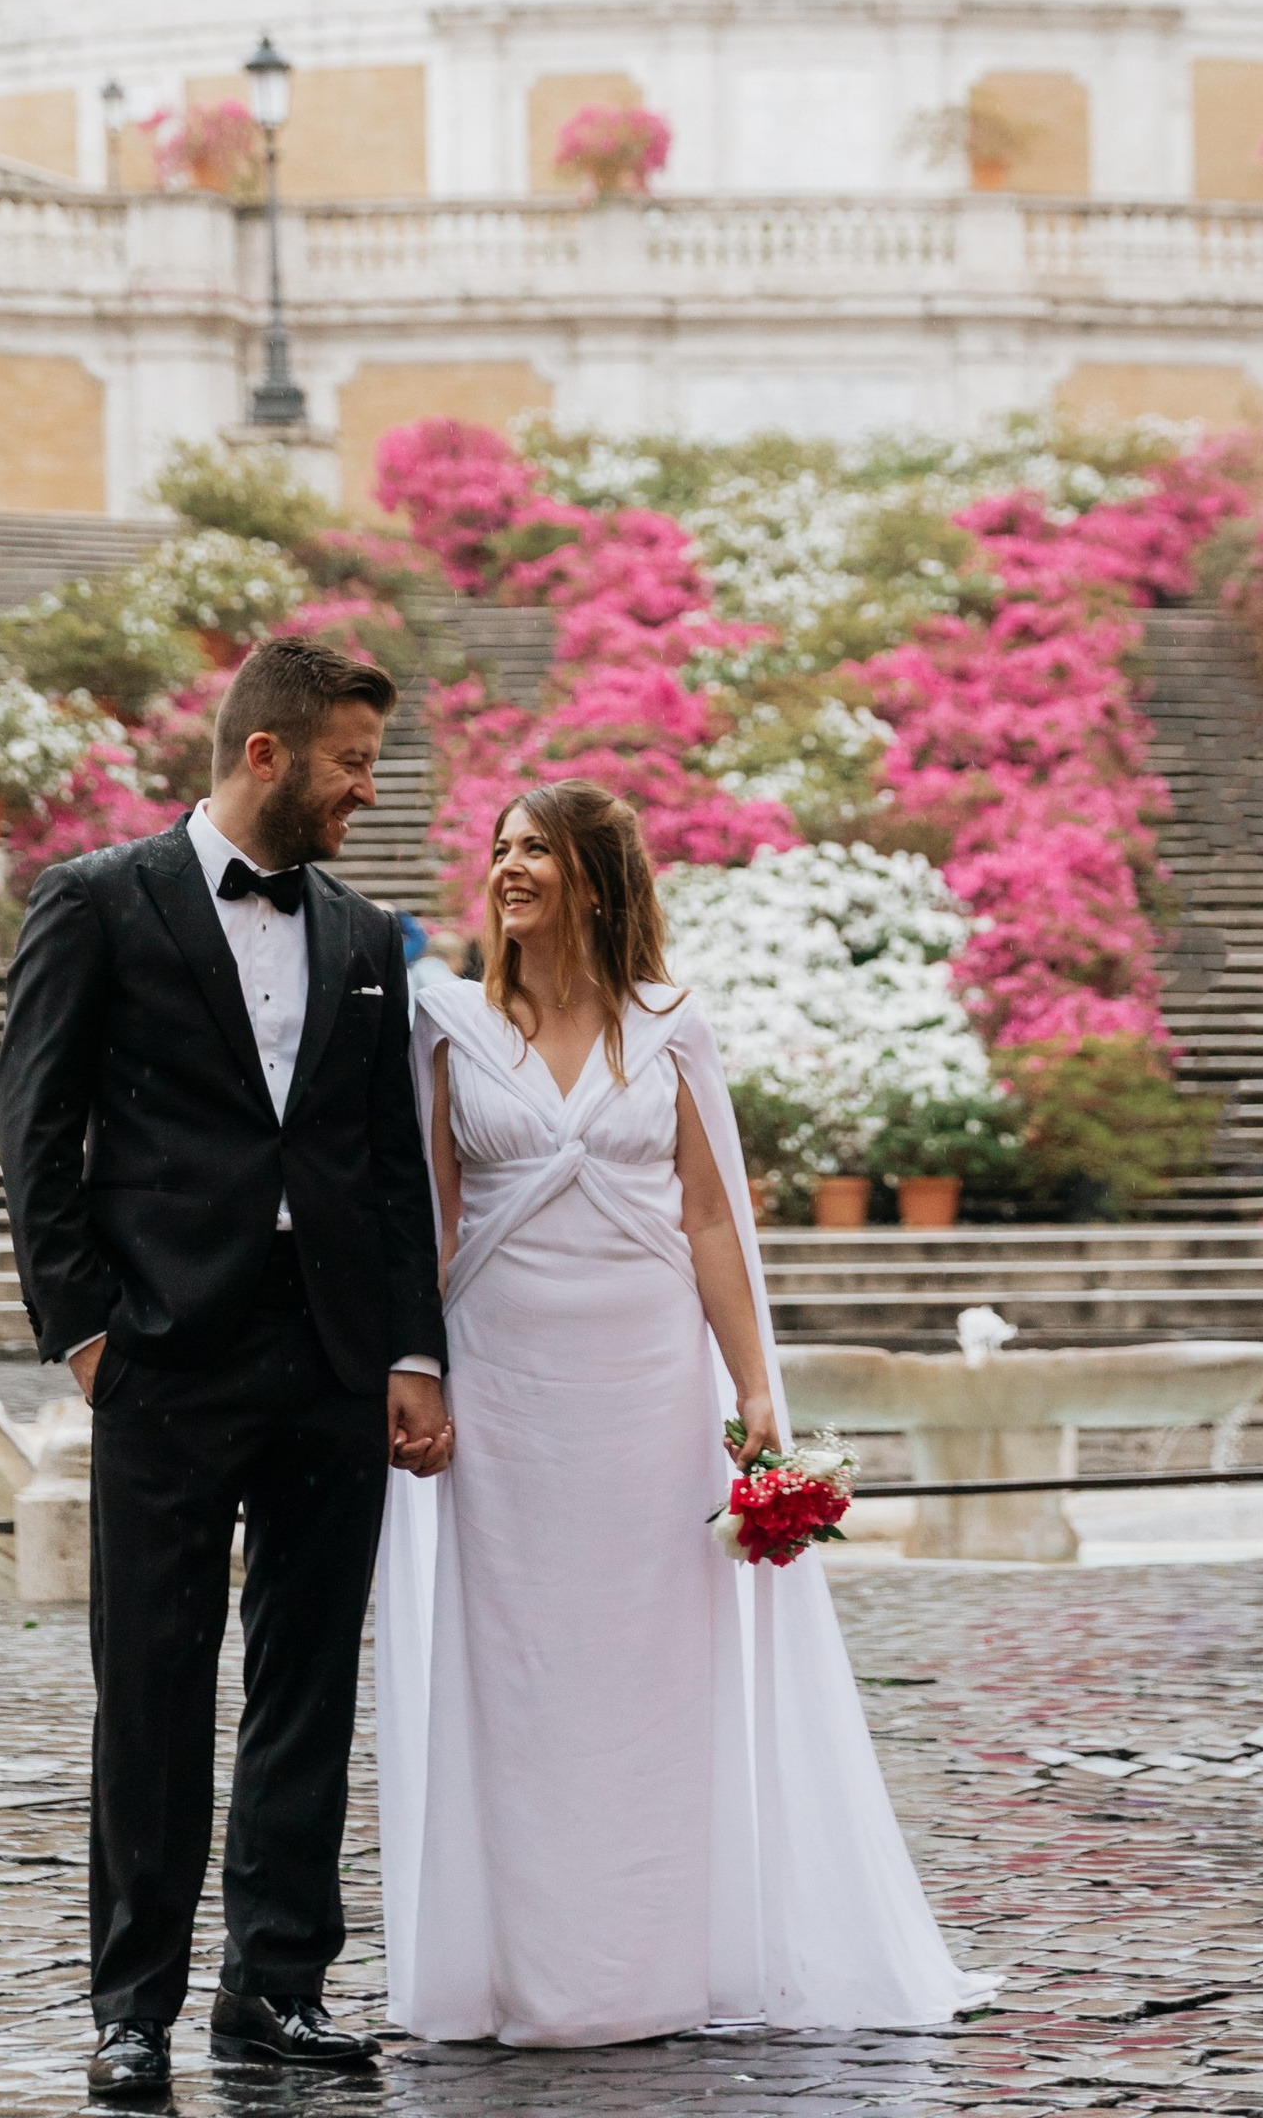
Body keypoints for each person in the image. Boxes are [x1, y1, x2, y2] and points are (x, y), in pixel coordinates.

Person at [376, 780, 983, 2046]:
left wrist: (756, 1387)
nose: (507, 868)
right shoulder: (442, 1022)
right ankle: (529, 1972)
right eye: (498, 849)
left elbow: (712, 1218)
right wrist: (410, 1368)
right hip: (508, 1386)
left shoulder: (671, 1025)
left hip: (648, 1387)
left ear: (595, 878)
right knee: (521, 1671)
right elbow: (426, 1222)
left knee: (651, 1670)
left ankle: (653, 1963)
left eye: (535, 850)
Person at [0, 634, 450, 2102]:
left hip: (329, 1355)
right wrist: (84, 1333)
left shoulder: (367, 936)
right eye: (352, 764)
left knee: (307, 1684)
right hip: (163, 1357)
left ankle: (276, 1991)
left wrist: (408, 1348)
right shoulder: (94, 902)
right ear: (268, 752)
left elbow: (388, 1169)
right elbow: (35, 1136)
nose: (366, 793)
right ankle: (131, 2006)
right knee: (152, 1685)